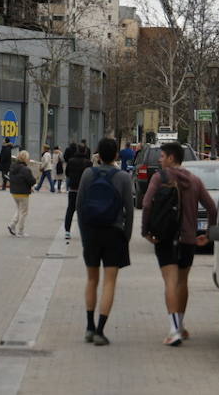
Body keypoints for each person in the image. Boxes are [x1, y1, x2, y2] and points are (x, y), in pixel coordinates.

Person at [143, 141, 217, 346]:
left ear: (171, 158)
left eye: (162, 156)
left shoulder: (159, 178)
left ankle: (173, 330)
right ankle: (181, 326)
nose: (159, 159)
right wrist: (208, 234)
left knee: (170, 282)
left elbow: (147, 204)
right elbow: (212, 208)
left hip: (165, 238)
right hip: (188, 239)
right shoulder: (194, 180)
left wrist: (145, 231)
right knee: (182, 281)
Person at [77, 138, 135, 345]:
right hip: (113, 233)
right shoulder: (123, 178)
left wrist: (84, 236)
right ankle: (101, 330)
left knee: (91, 280)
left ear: (98, 155)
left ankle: (89, 327)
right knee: (109, 281)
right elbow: (129, 209)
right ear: (116, 156)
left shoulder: (87, 174)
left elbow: (79, 206)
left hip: (92, 232)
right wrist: (125, 238)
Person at [63, 140, 91, 243]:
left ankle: (67, 231)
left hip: (73, 189)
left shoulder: (71, 161)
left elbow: (67, 173)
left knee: (70, 210)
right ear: (85, 151)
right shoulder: (88, 163)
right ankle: (84, 232)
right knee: (83, 212)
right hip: (84, 190)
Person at [7, 150, 36, 236]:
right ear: (25, 158)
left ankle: (12, 225)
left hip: (14, 192)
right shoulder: (26, 169)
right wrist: (34, 181)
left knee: (19, 210)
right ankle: (20, 231)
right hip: (23, 193)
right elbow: (31, 181)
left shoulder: (12, 167)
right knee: (24, 212)